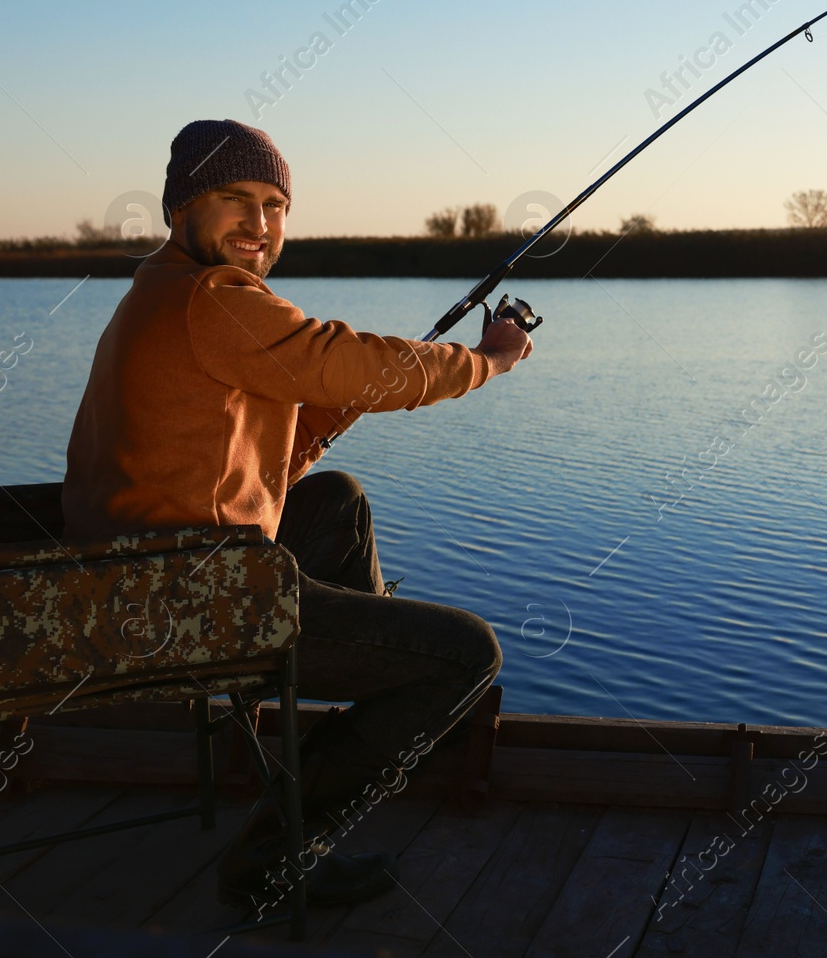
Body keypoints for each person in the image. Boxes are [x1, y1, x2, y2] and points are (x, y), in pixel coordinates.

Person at [60, 118, 532, 910]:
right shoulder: (214, 297)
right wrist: (485, 360)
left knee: (334, 500)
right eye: (233, 198)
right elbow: (343, 356)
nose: (259, 222)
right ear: (182, 207)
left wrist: (320, 415)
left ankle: (366, 698)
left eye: (275, 203)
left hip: (144, 577)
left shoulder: (162, 287)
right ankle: (276, 853)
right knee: (467, 655)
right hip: (185, 603)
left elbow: (239, 444)